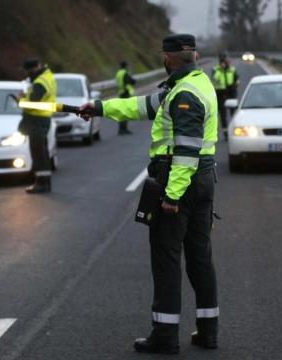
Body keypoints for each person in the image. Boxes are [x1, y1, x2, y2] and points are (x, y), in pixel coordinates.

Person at [80, 34, 219, 354]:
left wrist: (171, 196)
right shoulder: (197, 83)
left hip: (179, 178)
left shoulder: (183, 95)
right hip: (204, 180)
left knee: (167, 257)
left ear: (168, 58)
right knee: (200, 258)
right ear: (195, 56)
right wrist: (98, 107)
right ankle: (208, 331)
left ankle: (166, 336)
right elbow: (142, 106)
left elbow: (186, 150)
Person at [18, 58, 57, 194]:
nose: (26, 73)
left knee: (38, 153)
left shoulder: (40, 82)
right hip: (43, 119)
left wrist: (20, 100)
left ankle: (41, 184)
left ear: (33, 69)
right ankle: (45, 183)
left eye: (27, 71)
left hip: (37, 120)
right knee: (42, 153)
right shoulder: (47, 77)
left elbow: (33, 102)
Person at [211, 53, 238, 140]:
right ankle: (226, 133)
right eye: (225, 60)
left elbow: (237, 78)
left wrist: (236, 83)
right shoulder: (216, 69)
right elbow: (215, 78)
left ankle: (235, 130)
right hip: (220, 94)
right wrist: (221, 70)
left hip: (231, 93)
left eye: (227, 60)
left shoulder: (232, 69)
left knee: (233, 113)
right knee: (223, 114)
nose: (227, 62)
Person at [115, 61, 137, 135]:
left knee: (122, 111)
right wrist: (134, 81)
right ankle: (123, 129)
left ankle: (121, 129)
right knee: (125, 112)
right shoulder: (124, 73)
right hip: (125, 93)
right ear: (126, 66)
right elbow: (131, 81)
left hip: (120, 93)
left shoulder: (118, 73)